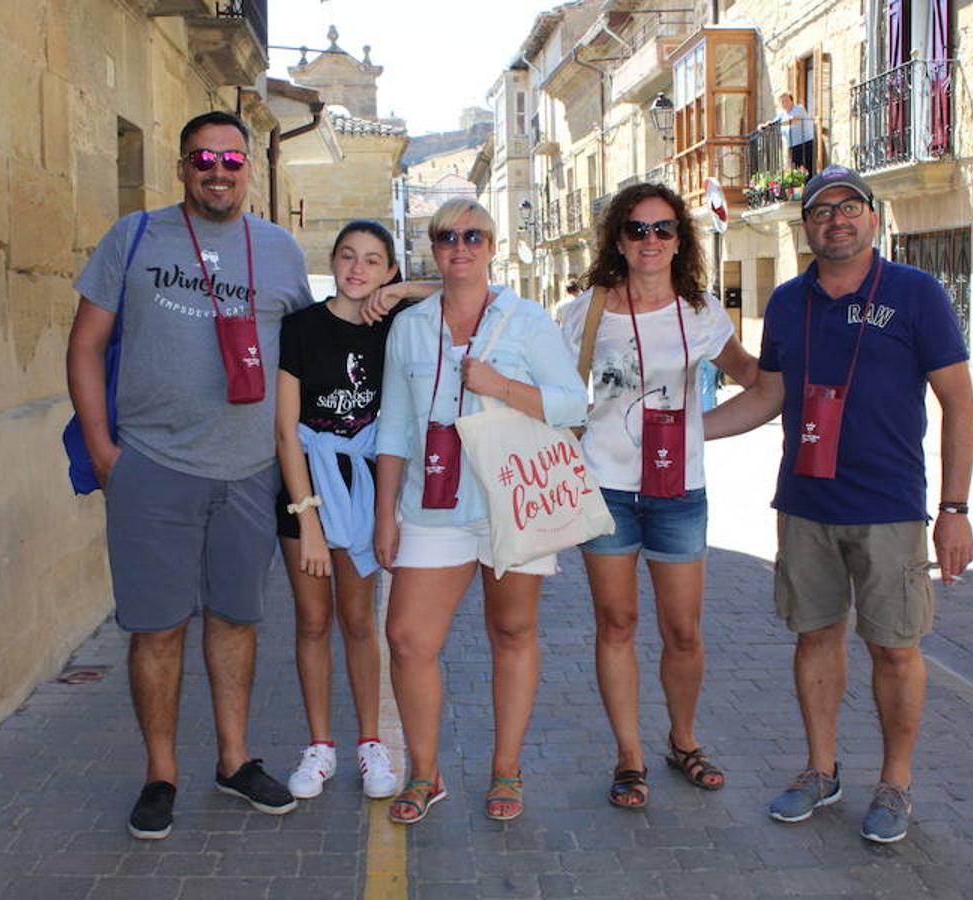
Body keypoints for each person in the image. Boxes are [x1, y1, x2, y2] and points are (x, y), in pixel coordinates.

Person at [703, 165, 973, 844]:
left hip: (890, 506)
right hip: (805, 502)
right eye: (822, 211)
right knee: (815, 636)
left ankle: (896, 783)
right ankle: (820, 772)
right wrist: (683, 434)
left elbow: (960, 403)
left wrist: (955, 509)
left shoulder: (916, 294)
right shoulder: (791, 303)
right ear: (807, 227)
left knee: (894, 647)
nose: (837, 220)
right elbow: (769, 395)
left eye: (850, 207)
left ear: (873, 218)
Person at [67, 110, 312, 840]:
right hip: (153, 467)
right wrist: (105, 451)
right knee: (158, 628)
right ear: (181, 167)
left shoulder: (277, 250)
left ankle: (234, 762)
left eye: (233, 159)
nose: (219, 170)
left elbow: (308, 351)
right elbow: (84, 346)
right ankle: (161, 774)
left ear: (248, 171)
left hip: (247, 472)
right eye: (204, 157)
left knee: (237, 620)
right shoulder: (134, 237)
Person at [374, 198, 586, 825]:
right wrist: (385, 513)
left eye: (473, 235)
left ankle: (506, 770)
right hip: (431, 505)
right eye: (446, 237)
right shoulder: (411, 327)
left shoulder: (527, 321)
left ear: (492, 246)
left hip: (512, 500)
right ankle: (423, 771)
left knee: (512, 633)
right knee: (408, 639)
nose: (459, 247)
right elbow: (394, 427)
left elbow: (572, 404)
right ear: (433, 249)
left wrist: (499, 385)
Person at [559, 183, 757, 810]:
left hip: (679, 490)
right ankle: (629, 755)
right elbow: (559, 393)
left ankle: (683, 740)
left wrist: (707, 428)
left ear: (680, 239)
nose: (650, 241)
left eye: (663, 229)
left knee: (684, 632)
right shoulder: (587, 311)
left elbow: (755, 378)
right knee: (616, 625)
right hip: (606, 490)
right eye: (637, 230)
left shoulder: (700, 312)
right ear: (618, 239)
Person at [276, 221, 407, 802]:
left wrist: (401, 294)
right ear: (332, 260)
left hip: (362, 493)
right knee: (312, 622)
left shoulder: (396, 325)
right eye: (348, 256)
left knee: (359, 622)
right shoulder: (300, 327)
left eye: (374, 261)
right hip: (306, 487)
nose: (358, 269)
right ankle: (321, 746)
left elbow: (473, 291)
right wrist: (307, 523)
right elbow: (285, 431)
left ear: (388, 271)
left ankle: (370, 743)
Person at [779, 92, 815, 175]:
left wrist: (779, 123)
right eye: (782, 102)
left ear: (792, 101)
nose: (784, 103)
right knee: (797, 171)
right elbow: (772, 123)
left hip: (805, 143)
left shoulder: (799, 108)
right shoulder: (782, 114)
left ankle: (808, 187)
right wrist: (762, 126)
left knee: (807, 169)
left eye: (786, 101)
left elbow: (794, 120)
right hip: (792, 147)